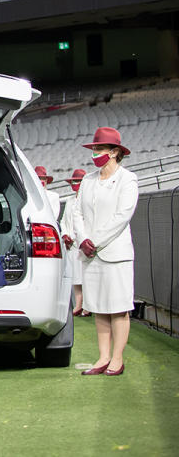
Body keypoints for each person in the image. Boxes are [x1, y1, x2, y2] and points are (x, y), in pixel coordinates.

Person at [73, 127, 138, 377]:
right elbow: (77, 212)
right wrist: (83, 239)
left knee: (118, 307)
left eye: (99, 149)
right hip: (90, 253)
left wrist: (95, 241)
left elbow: (122, 216)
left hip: (115, 253)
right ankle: (103, 357)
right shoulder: (88, 180)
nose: (95, 153)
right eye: (94, 149)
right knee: (99, 306)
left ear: (114, 152)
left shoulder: (127, 179)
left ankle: (117, 359)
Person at [59, 169, 88, 316]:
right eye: (74, 182)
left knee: (85, 275)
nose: (75, 184)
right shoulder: (70, 201)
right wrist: (65, 234)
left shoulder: (88, 199)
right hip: (70, 244)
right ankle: (79, 304)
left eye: (78, 181)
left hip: (82, 243)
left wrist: (79, 238)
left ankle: (87, 305)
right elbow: (64, 221)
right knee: (76, 276)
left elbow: (86, 222)